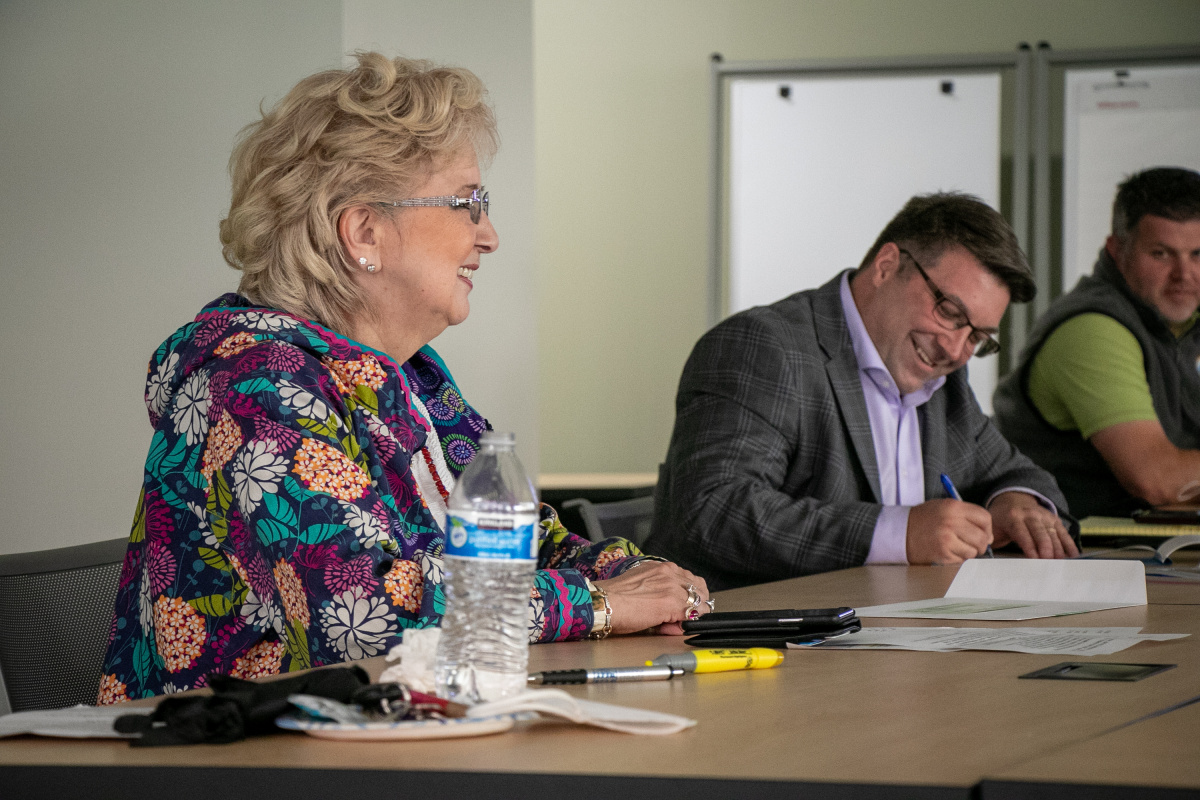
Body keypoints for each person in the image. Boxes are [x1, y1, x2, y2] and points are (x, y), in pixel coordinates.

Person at [97, 53, 709, 704]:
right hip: (234, 761)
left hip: (384, 739)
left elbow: (522, 547)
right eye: (469, 204)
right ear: (364, 230)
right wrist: (600, 604)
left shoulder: (412, 378)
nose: (491, 235)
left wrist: (638, 574)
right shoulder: (249, 383)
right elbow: (364, 619)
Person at [644, 193, 1078, 590]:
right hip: (753, 644)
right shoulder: (766, 346)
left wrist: (1017, 504)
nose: (954, 349)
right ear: (887, 266)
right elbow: (713, 509)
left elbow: (1017, 473)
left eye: (977, 337)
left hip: (898, 637)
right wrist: (897, 534)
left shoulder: (945, 384)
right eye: (949, 312)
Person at [994, 167, 1200, 518]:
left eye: (1198, 255)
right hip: (1083, 558)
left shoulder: (1179, 323)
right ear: (1117, 250)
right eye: (1161, 254)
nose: (1184, 275)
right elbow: (1158, 480)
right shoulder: (1093, 329)